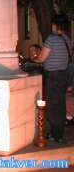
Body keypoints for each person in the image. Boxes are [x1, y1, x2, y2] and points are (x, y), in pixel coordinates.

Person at [33, 14, 72, 144]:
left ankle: (55, 134)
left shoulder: (51, 39)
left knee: (53, 105)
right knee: (60, 103)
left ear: (55, 25)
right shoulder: (67, 39)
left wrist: (35, 58)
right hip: (64, 74)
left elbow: (42, 58)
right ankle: (58, 133)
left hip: (53, 76)